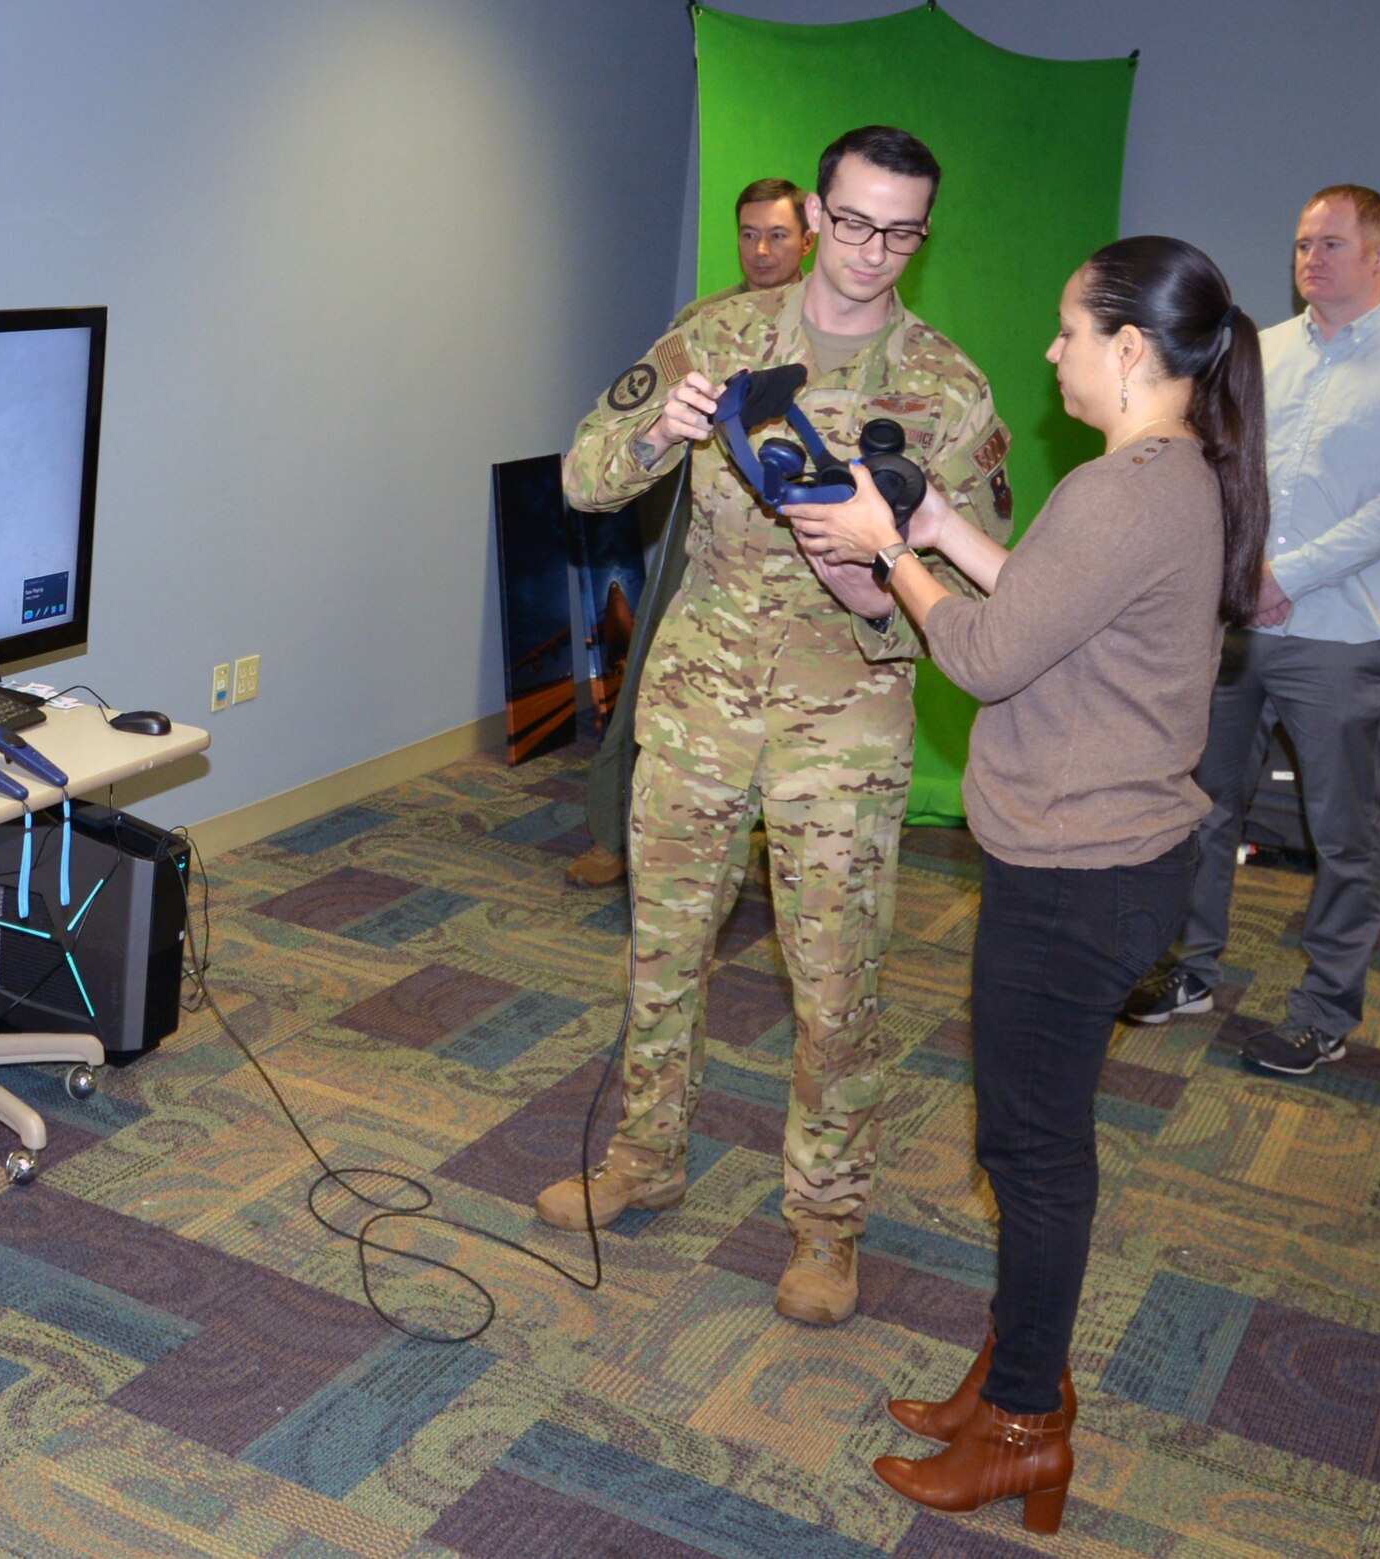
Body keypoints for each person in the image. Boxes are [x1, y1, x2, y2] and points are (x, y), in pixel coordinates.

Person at [785, 234, 1268, 1532]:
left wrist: (891, 555)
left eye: (1067, 330)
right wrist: (941, 524)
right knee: (1027, 1140)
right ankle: (1015, 1376)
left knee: (1035, 1155)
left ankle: (1020, 1429)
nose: (1051, 351)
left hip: (1082, 876)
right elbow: (1054, 603)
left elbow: (992, 654)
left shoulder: (1126, 489)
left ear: (1129, 347)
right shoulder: (1174, 475)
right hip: (1112, 864)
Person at [537, 127, 1013, 1329]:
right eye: (850, 221)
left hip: (843, 721)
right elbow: (583, 477)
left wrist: (881, 592)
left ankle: (824, 1223)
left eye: (899, 230)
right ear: (812, 209)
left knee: (834, 989)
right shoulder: (715, 333)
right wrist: (663, 431)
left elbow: (980, 597)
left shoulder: (947, 389)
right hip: (697, 706)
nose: (869, 250)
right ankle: (644, 1160)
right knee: (662, 957)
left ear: (923, 232)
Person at [1125, 186, 1380, 1077]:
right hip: (1236, 626)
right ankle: (1191, 973)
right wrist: (1229, 574)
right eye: (1301, 244)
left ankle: (1323, 1012)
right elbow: (1208, 462)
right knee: (1203, 808)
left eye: (1331, 244)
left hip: (1343, 636)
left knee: (1342, 837)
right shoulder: (1260, 353)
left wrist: (1287, 575)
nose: (1309, 258)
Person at [568, 177, 815, 888]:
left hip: (802, 547)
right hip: (706, 537)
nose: (761, 250)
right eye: (748, 234)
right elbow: (621, 428)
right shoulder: (705, 323)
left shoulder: (836, 330)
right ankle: (614, 832)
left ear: (808, 238)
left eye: (776, 234)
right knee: (651, 666)